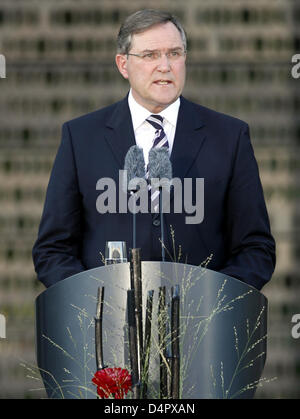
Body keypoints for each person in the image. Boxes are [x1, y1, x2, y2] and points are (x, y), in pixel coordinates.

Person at [32, 9, 275, 290]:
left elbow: (256, 249)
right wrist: (95, 302)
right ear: (123, 65)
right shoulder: (81, 137)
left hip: (203, 325)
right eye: (150, 55)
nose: (165, 65)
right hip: (107, 326)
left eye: (174, 53)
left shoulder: (230, 137)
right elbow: (52, 250)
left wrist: (210, 302)